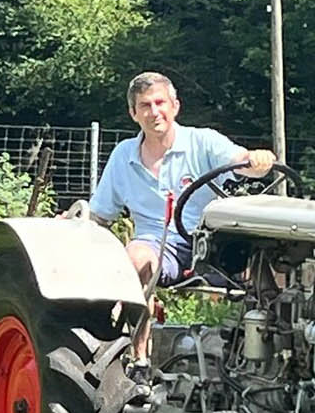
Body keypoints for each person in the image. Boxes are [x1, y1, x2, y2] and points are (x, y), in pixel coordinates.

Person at [87, 71, 276, 289]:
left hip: (213, 244)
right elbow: (99, 215)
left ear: (175, 106)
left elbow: (242, 162)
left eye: (160, 103)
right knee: (135, 259)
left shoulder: (204, 141)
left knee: (264, 251)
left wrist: (258, 160)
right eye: (145, 105)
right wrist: (71, 224)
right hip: (155, 245)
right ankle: (137, 311)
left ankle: (273, 305)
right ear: (133, 113)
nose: (154, 112)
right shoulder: (123, 155)